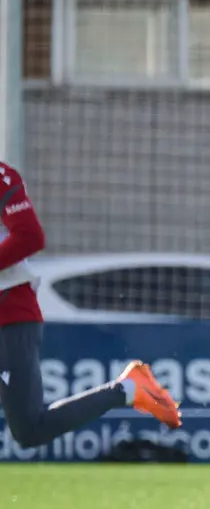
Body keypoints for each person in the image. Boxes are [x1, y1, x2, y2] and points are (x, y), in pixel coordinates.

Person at [0, 161, 181, 448]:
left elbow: (29, 236)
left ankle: (128, 390)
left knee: (29, 429)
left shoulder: (1, 175)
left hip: (8, 314)